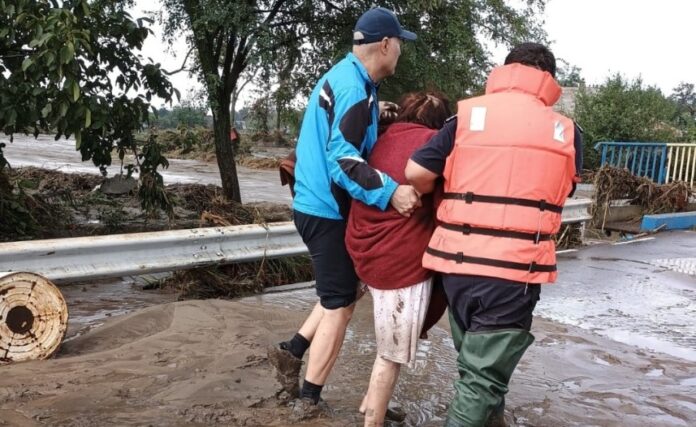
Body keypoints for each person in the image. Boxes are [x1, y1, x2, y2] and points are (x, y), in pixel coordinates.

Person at [405, 42, 583, 427]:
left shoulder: (465, 117)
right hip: (513, 272)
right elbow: (563, 190)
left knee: (479, 369)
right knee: (482, 379)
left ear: (505, 71)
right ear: (548, 80)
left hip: (457, 268)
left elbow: (416, 173)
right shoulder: (566, 131)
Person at [267, 7, 419, 417]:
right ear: (385, 45)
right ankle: (308, 398)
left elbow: (346, 126)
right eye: (399, 44)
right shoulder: (355, 90)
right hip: (326, 210)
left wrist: (377, 112)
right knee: (339, 303)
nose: (400, 52)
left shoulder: (350, 79)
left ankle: (293, 349)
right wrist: (390, 193)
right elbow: (343, 160)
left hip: (314, 203)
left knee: (343, 290)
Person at [345, 91, 452, 427]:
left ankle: (372, 404)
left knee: (385, 342)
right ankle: (372, 420)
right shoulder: (436, 147)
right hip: (399, 262)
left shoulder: (380, 138)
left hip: (361, 251)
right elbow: (443, 209)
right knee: (390, 355)